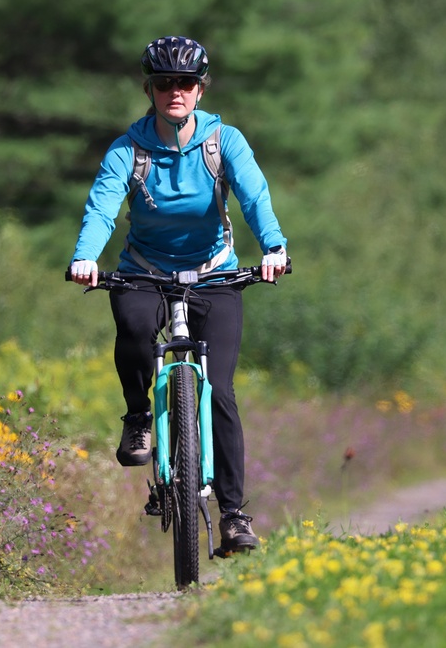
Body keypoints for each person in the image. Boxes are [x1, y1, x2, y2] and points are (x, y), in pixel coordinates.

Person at [69, 36, 288, 553]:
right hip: (144, 270)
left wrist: (274, 245)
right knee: (136, 327)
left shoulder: (223, 141)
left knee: (222, 392)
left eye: (185, 83)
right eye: (164, 82)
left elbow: (254, 193)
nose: (175, 91)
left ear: (200, 88)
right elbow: (102, 206)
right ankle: (138, 416)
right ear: (148, 88)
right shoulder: (130, 148)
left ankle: (234, 516)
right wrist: (85, 256)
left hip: (214, 274)